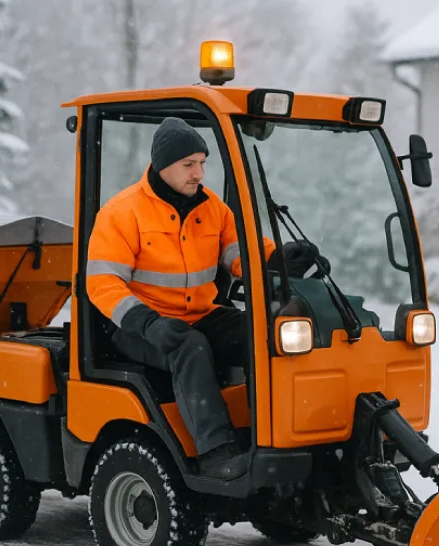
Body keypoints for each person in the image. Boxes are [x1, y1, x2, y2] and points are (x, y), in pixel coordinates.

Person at [86, 117, 299, 482]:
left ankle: (276, 430)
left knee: (266, 331)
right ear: (163, 165)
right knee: (191, 347)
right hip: (138, 325)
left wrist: (281, 259)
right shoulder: (123, 212)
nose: (199, 173)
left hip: (199, 313)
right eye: (189, 164)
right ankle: (215, 452)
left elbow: (239, 254)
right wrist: (148, 322)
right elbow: (103, 284)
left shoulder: (212, 207)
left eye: (202, 163)